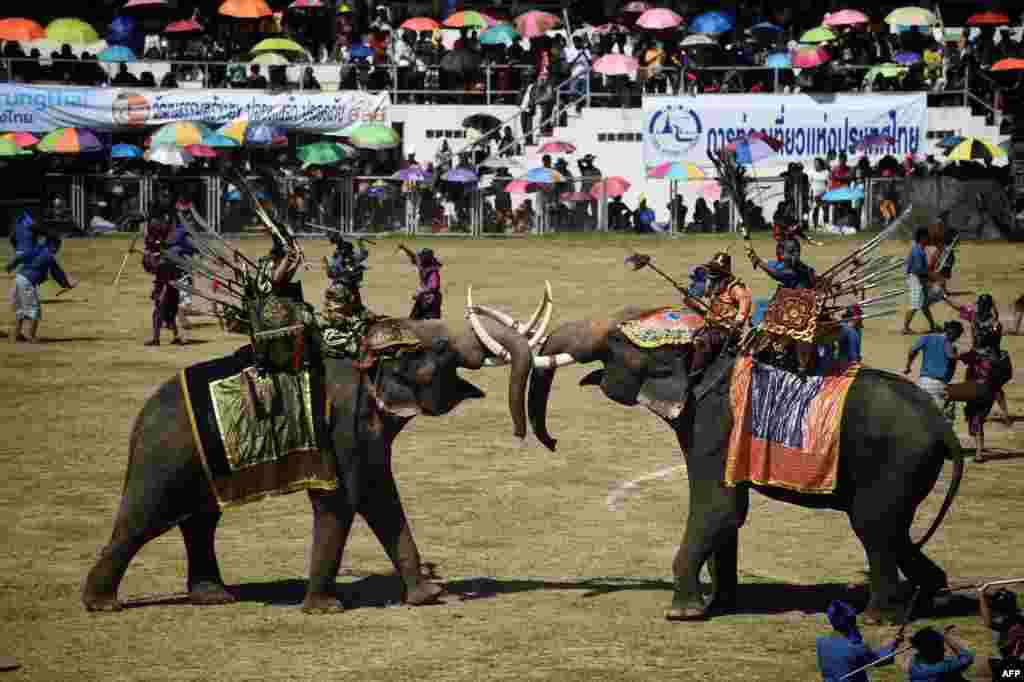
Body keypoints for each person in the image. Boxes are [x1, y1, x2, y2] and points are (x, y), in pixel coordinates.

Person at [955, 325, 1013, 462]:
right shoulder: (1004, 355)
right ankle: (979, 451)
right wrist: (995, 386)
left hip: (974, 390)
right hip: (990, 393)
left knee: (974, 419)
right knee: (978, 419)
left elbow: (957, 357)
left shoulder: (976, 353)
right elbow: (1008, 374)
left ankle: (979, 452)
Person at [6, 231, 75, 343]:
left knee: (21, 310)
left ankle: (17, 334)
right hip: (27, 282)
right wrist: (66, 285)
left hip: (19, 279)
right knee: (34, 310)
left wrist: (11, 266)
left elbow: (22, 256)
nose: (58, 250)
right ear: (52, 245)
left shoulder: (36, 249)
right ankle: (31, 336)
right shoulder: (49, 256)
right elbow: (57, 272)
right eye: (58, 246)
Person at [690, 252, 751, 372]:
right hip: (710, 326)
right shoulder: (714, 285)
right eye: (712, 269)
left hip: (726, 331)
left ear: (723, 272)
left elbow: (744, 306)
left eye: (716, 270)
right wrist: (688, 297)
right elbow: (701, 303)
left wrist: (738, 322)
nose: (712, 273)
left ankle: (694, 377)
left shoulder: (735, 288)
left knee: (703, 342)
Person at [816, 600, 900, 682]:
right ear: (850, 622)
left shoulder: (821, 642)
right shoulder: (857, 648)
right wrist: (893, 645)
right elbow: (880, 660)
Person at [142, 206, 182, 346]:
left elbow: (170, 253)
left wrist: (157, 256)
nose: (151, 223)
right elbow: (150, 262)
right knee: (162, 309)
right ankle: (161, 337)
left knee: (166, 309)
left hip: (169, 277)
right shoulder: (153, 234)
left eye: (153, 221)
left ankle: (164, 337)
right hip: (163, 277)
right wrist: (149, 256)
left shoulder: (171, 234)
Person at [905, 321, 963, 415]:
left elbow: (912, 351)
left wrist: (908, 366)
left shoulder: (927, 337)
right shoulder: (950, 344)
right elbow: (950, 357)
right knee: (935, 418)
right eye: (958, 336)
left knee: (918, 414)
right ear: (955, 334)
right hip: (938, 385)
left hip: (923, 382)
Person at [903, 228, 939, 335]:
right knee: (915, 304)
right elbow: (918, 269)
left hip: (916, 278)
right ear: (922, 237)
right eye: (927, 236)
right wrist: (931, 275)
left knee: (924, 305)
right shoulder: (918, 250)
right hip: (915, 279)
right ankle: (905, 328)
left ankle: (932, 326)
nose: (929, 238)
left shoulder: (919, 249)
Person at [902, 625, 973, 681]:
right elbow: (967, 657)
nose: (944, 650)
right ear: (933, 650)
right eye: (941, 647)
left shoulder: (914, 663)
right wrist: (945, 637)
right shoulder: (942, 668)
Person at [979, 583, 1024, 662]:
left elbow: (988, 621)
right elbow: (988, 621)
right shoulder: (1010, 620)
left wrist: (981, 594)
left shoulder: (1003, 623)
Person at [398, 244, 442, 319]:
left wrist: (421, 292)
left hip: (431, 299)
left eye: (421, 257)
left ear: (425, 259)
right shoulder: (423, 263)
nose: (419, 258)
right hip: (424, 297)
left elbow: (434, 286)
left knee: (429, 323)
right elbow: (413, 256)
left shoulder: (433, 271)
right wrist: (404, 248)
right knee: (414, 319)